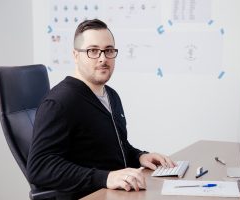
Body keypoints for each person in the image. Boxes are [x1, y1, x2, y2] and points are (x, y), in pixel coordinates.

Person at [27, 19, 175, 199]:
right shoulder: (60, 102)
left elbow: (113, 147)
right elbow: (39, 167)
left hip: (118, 192)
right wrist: (106, 177)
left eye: (109, 50)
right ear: (76, 55)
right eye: (93, 51)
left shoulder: (111, 95)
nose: (103, 58)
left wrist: (140, 157)